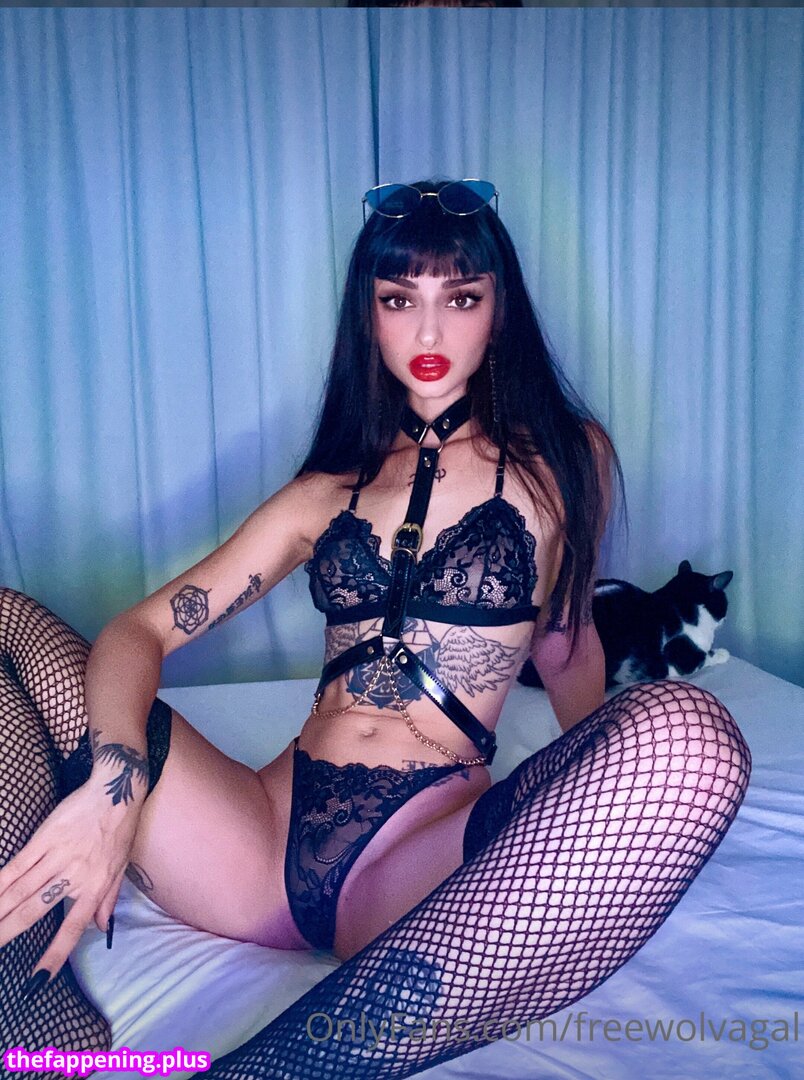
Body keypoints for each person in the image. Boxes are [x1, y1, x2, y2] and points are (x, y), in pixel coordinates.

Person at [0, 178, 751, 1078]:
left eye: (460, 299)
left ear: (499, 311)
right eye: (399, 300)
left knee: (693, 736)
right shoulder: (326, 491)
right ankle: (23, 992)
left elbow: (563, 640)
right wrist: (112, 791)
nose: (428, 333)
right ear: (370, 316)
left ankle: (277, 1068)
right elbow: (139, 632)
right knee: (5, 619)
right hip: (253, 840)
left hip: (413, 854)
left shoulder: (566, 458)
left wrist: (587, 785)